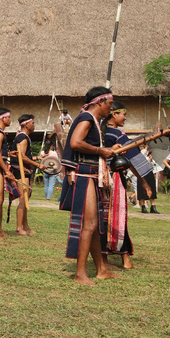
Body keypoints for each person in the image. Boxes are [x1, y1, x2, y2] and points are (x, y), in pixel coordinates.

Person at [61, 87, 117, 285]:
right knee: (90, 224)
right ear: (99, 102)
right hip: (84, 175)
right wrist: (101, 150)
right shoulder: (86, 118)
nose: (111, 108)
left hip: (92, 174)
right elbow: (76, 142)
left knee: (94, 225)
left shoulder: (93, 121)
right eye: (109, 104)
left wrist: (105, 150)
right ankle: (80, 274)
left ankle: (101, 269)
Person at [100, 101, 152, 270]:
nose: (125, 117)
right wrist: (144, 182)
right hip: (112, 180)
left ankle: (110, 258)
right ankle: (121, 258)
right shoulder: (115, 134)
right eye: (124, 114)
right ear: (114, 114)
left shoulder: (100, 132)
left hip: (100, 178)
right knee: (115, 218)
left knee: (104, 218)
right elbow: (133, 161)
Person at [0, 107, 20, 239]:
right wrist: (7, 171)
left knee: (0, 200)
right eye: (9, 117)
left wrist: (8, 154)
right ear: (2, 118)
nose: (10, 120)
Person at [10, 114, 44, 236]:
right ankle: (19, 228)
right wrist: (38, 164)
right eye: (33, 123)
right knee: (23, 199)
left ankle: (25, 226)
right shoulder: (23, 138)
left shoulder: (24, 137)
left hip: (24, 171)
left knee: (26, 198)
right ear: (26, 124)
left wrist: (37, 158)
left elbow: (25, 156)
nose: (34, 125)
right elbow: (22, 157)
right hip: (20, 171)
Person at [138, 146, 161, 214]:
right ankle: (143, 206)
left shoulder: (147, 154)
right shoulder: (138, 154)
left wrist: (151, 159)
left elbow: (153, 165)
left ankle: (153, 206)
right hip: (141, 172)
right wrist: (146, 148)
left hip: (149, 172)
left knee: (152, 188)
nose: (143, 147)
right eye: (141, 146)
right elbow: (141, 157)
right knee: (141, 189)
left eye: (143, 146)